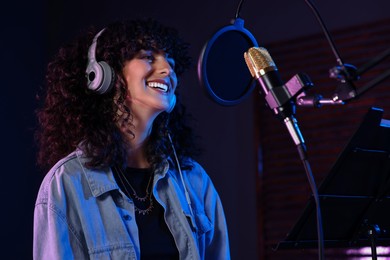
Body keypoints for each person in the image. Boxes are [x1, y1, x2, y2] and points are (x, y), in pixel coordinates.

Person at [33, 18, 230, 259]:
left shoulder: (195, 182)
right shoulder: (66, 184)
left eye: (171, 60)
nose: (167, 68)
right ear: (103, 75)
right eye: (148, 56)